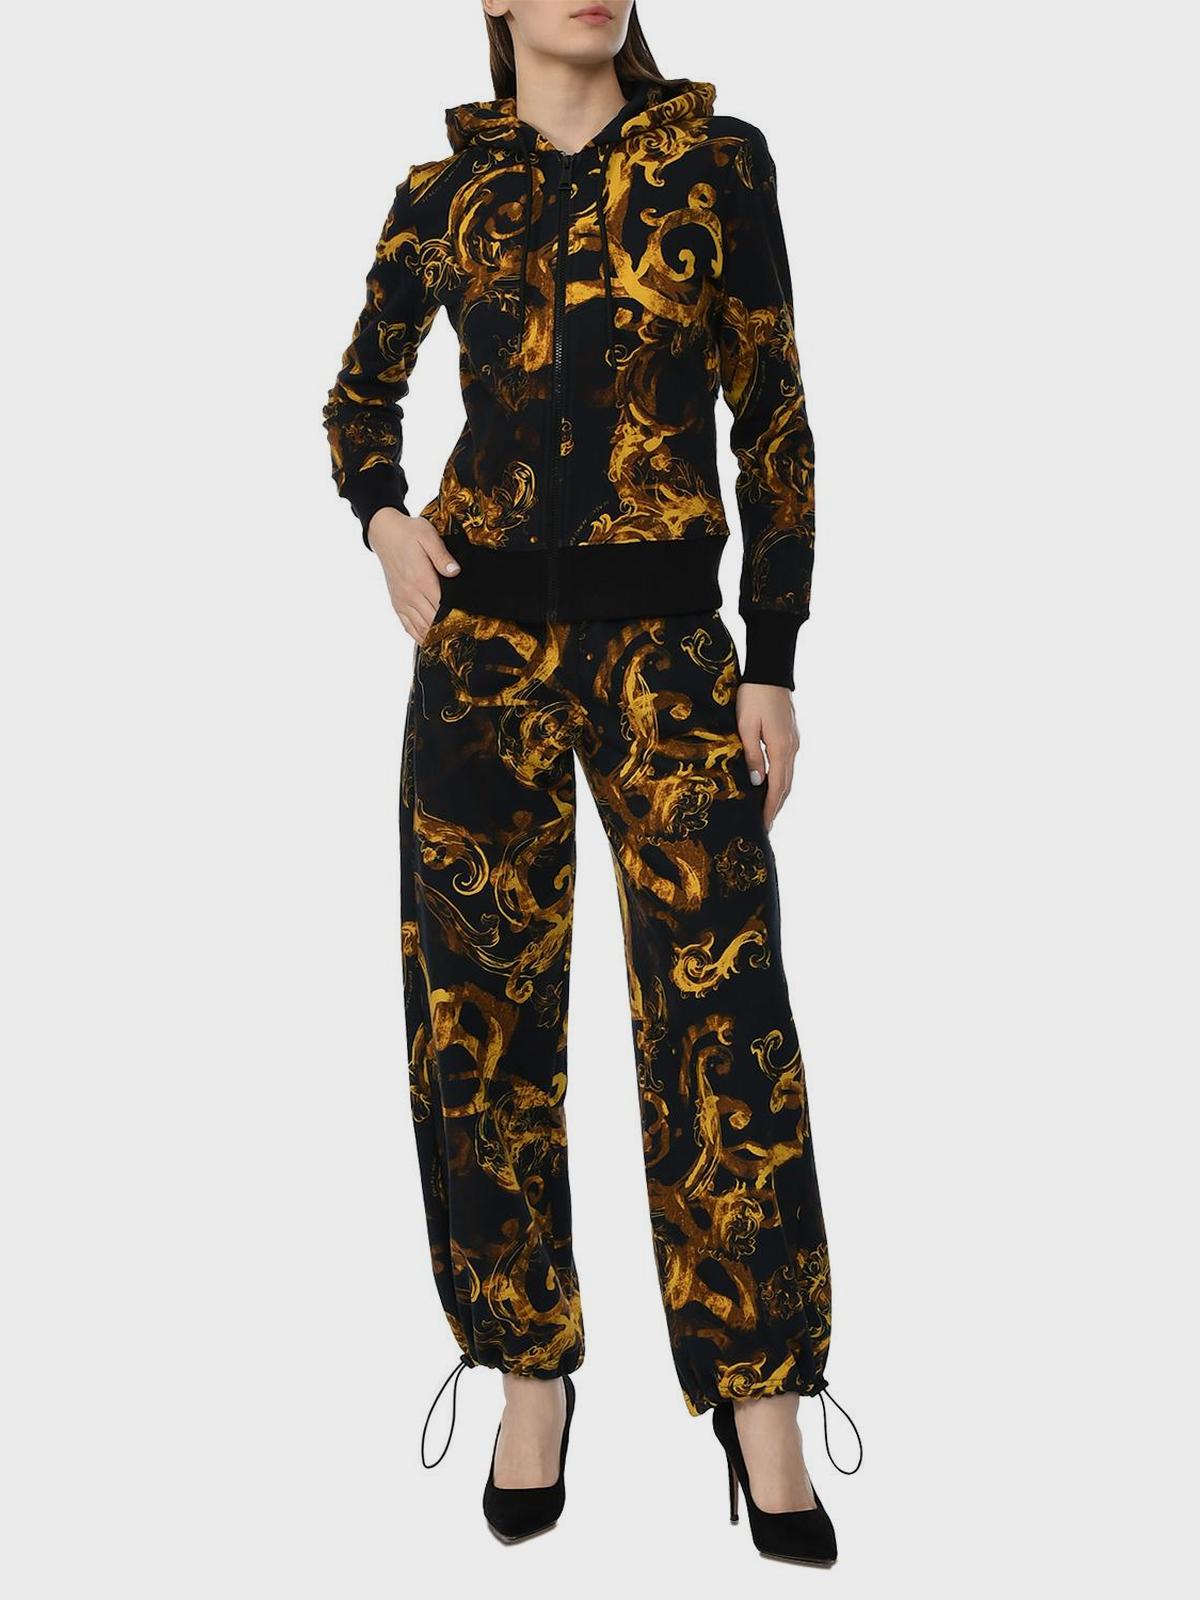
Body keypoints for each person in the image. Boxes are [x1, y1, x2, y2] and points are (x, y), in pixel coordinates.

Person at [322, 0, 859, 1559]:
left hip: (670, 658)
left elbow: (774, 417)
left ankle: (764, 1402)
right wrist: (385, 521)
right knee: (477, 1019)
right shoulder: (446, 193)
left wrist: (773, 655)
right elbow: (358, 399)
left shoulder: (717, 164)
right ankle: (526, 1373)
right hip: (480, 657)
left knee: (726, 1021)